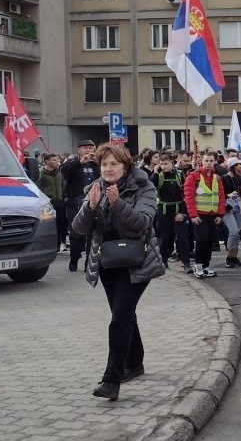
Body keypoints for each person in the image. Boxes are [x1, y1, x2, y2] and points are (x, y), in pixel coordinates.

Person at [71, 143, 165, 401]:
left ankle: (111, 380)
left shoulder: (144, 187)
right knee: (123, 315)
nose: (108, 169)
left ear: (126, 166)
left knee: (119, 319)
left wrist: (117, 204)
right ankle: (135, 363)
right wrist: (89, 207)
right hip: (108, 263)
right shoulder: (94, 188)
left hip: (138, 262)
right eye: (104, 164)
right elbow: (79, 229)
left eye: (114, 164)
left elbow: (142, 223)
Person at [184, 151, 225, 278]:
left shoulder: (217, 178)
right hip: (199, 215)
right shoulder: (193, 177)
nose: (208, 163)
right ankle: (198, 265)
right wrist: (193, 215)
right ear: (202, 161)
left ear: (215, 162)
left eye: (211, 161)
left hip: (212, 215)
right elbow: (188, 197)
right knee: (202, 241)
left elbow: (221, 196)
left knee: (210, 241)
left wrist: (220, 214)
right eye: (206, 161)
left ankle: (206, 265)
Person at [62, 140, 100, 271]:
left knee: (92, 235)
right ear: (79, 149)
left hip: (93, 203)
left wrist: (99, 162)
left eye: (91, 148)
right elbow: (65, 172)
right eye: (85, 148)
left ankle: (88, 263)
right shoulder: (72, 163)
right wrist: (80, 162)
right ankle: (74, 259)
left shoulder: (97, 165)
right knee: (76, 235)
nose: (88, 150)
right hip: (75, 204)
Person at [152, 153, 191, 271]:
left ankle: (186, 263)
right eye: (161, 164)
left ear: (172, 163)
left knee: (183, 238)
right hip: (163, 211)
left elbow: (185, 194)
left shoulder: (180, 175)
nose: (163, 166)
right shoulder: (158, 176)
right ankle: (163, 262)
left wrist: (183, 213)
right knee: (163, 239)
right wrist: (154, 172)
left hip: (178, 211)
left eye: (166, 163)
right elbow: (150, 186)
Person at [38, 153, 67, 251]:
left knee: (62, 224)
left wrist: (63, 196)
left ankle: (61, 244)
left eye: (57, 160)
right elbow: (38, 188)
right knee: (50, 225)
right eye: (53, 160)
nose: (56, 162)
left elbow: (63, 185)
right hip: (48, 203)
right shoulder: (41, 174)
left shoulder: (59, 172)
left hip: (60, 202)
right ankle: (53, 245)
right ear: (46, 161)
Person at [221, 158, 241, 268]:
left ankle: (234, 257)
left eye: (240, 164)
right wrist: (228, 195)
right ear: (232, 166)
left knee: (237, 233)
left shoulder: (240, 178)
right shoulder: (224, 178)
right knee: (233, 232)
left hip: (237, 207)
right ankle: (229, 257)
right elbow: (220, 193)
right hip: (227, 208)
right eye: (237, 165)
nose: (240, 166)